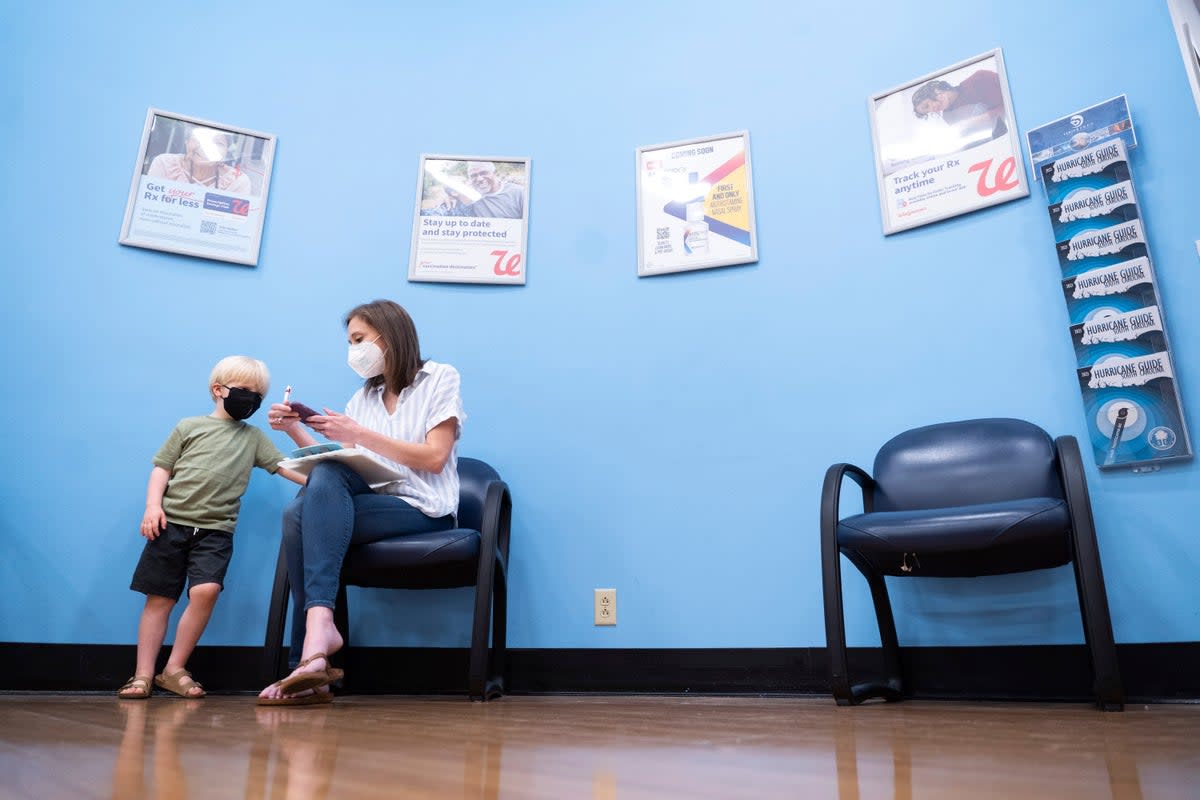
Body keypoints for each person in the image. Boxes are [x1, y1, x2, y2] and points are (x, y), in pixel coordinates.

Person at [257, 299, 465, 706]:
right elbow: (335, 473)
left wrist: (358, 434)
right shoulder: (362, 400)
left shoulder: (439, 377)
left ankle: (311, 654)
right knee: (306, 504)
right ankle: (315, 653)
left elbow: (435, 458)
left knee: (298, 516)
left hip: (425, 510)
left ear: (389, 336)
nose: (353, 350)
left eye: (359, 339)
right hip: (373, 505)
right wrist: (296, 430)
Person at [118, 356, 306, 699]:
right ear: (219, 390)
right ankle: (142, 674)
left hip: (216, 532)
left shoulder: (253, 438)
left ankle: (174, 669)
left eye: (258, 394)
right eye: (245, 390)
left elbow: (285, 467)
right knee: (159, 599)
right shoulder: (188, 427)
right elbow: (162, 469)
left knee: (206, 591)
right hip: (170, 525)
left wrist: (325, 477)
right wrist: (152, 506)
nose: (252, 398)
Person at [147, 125, 254, 196]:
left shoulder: (237, 181)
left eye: (218, 143)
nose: (205, 148)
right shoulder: (164, 163)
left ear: (226, 151)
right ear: (187, 142)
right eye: (199, 140)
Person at [911, 69, 1006, 138]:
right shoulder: (949, 117)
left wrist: (974, 121)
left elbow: (1011, 98)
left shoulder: (980, 78)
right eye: (928, 112)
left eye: (927, 105)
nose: (933, 110)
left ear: (935, 90)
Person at [420, 161, 525, 219]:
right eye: (473, 176)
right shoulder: (471, 196)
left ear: (494, 173)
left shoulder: (518, 193)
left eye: (484, 173)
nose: (479, 179)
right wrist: (443, 194)